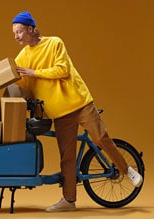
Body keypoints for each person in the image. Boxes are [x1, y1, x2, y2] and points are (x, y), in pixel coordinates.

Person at [11, 11, 143, 212]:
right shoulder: (22, 57)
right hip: (59, 112)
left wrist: (34, 72)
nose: (16, 36)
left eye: (19, 31)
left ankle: (127, 170)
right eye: (14, 33)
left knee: (100, 137)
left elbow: (62, 69)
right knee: (67, 157)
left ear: (30, 28)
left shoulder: (54, 43)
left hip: (79, 102)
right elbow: (24, 86)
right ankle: (69, 201)